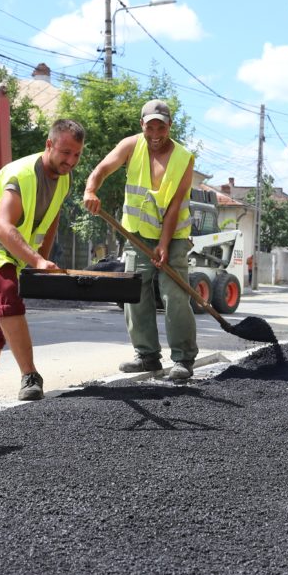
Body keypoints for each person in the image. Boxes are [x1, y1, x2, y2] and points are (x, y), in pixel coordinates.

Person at [0, 119, 85, 411]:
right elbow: (1, 227)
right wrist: (35, 258)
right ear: (49, 145)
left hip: (6, 251)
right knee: (7, 291)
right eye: (65, 152)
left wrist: (41, 259)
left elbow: (52, 218)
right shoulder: (23, 175)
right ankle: (30, 376)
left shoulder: (64, 179)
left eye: (77, 155)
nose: (71, 161)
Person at [83, 100, 197, 380]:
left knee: (174, 295)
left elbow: (174, 206)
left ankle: (183, 359)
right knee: (135, 293)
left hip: (174, 238)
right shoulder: (131, 146)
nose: (155, 133)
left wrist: (164, 244)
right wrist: (90, 191)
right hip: (135, 234)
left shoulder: (184, 158)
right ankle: (147, 356)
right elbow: (101, 170)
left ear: (170, 126)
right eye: (150, 127)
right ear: (141, 126)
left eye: (161, 126)